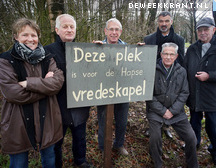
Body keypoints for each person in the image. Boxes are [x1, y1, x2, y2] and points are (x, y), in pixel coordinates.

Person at [0, 18, 64, 168]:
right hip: (17, 122)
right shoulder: (6, 60)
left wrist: (29, 83)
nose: (30, 39)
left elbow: (58, 82)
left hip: (48, 119)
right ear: (16, 36)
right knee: (19, 163)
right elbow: (13, 93)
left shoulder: (48, 58)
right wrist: (45, 86)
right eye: (25, 35)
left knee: (49, 159)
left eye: (34, 35)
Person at [44, 14, 91, 168]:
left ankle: (80, 161)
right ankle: (58, 164)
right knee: (57, 142)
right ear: (57, 30)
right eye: (65, 26)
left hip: (79, 103)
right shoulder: (47, 51)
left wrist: (100, 51)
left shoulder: (85, 50)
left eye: (72, 27)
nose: (69, 29)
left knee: (80, 137)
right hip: (59, 106)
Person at [146, 42, 198, 168]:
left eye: (171, 54)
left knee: (192, 138)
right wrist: (163, 111)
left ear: (176, 56)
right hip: (156, 112)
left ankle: (192, 165)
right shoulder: (152, 69)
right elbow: (148, 94)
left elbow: (184, 92)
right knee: (155, 137)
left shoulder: (182, 71)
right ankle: (158, 163)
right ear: (161, 54)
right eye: (165, 54)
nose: (168, 57)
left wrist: (173, 111)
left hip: (177, 112)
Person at [183, 17, 216, 167]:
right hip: (195, 94)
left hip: (213, 96)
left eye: (206, 29)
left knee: (214, 126)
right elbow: (185, 68)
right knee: (194, 123)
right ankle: (194, 144)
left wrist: (210, 76)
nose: (203, 32)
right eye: (200, 30)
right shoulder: (192, 48)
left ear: (213, 29)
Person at [144, 11, 185, 138]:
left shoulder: (179, 40)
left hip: (171, 77)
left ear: (171, 22)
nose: (164, 24)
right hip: (153, 76)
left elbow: (181, 60)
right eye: (161, 21)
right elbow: (144, 59)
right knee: (152, 102)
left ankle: (166, 126)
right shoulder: (149, 39)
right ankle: (152, 126)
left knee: (169, 102)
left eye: (166, 21)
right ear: (158, 22)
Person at [93, 18, 129, 156]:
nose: (114, 32)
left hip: (123, 91)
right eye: (111, 29)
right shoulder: (98, 47)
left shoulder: (128, 49)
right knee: (103, 122)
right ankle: (103, 148)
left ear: (120, 31)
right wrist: (92, 51)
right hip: (103, 91)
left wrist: (142, 51)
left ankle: (119, 145)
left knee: (122, 122)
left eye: (116, 30)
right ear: (105, 31)